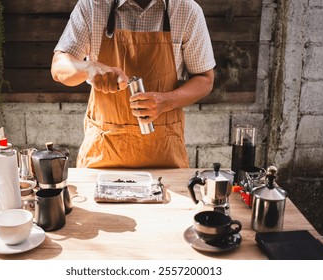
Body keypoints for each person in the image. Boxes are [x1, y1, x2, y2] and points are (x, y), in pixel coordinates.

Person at [51, 0, 215, 168]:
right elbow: (58, 68)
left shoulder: (187, 11)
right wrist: (89, 67)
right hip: (102, 155)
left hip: (165, 156)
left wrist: (166, 101)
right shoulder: (92, 6)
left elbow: (205, 79)